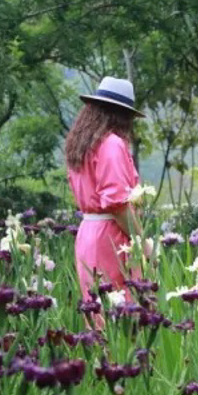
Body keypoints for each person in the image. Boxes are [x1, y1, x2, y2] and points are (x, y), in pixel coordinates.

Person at [65, 76, 146, 308]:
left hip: (88, 233)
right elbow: (117, 204)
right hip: (110, 236)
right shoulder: (111, 144)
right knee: (119, 308)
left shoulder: (82, 144)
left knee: (97, 306)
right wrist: (141, 240)